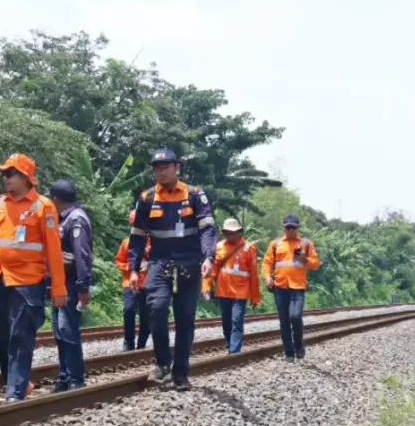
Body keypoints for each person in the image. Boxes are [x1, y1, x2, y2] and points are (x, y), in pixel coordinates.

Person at [0, 153, 67, 401]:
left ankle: (15, 391)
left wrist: (59, 288)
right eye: (4, 174)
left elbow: (54, 249)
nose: (5, 179)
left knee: (21, 334)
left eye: (10, 174)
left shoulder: (43, 207)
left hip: (28, 281)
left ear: (25, 177)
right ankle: (17, 381)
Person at [128, 148, 216, 390]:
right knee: (155, 309)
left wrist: (209, 256)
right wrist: (133, 269)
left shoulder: (195, 195)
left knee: (185, 320)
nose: (162, 171)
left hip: (189, 262)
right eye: (157, 167)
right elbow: (136, 237)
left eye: (167, 166)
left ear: (177, 168)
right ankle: (163, 363)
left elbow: (208, 228)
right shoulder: (146, 198)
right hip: (159, 262)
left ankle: (181, 373)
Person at [48, 179, 92, 392]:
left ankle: (75, 377)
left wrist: (84, 287)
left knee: (67, 329)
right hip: (59, 282)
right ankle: (64, 376)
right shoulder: (61, 218)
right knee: (59, 330)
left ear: (56, 200)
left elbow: (82, 256)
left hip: (71, 283)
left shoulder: (75, 220)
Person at [262, 214, 320, 362]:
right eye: (288, 227)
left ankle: (299, 347)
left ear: (298, 228)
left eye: (293, 227)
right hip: (280, 286)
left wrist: (304, 258)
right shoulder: (275, 244)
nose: (290, 230)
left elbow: (315, 264)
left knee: (295, 316)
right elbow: (267, 263)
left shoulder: (306, 243)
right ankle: (288, 353)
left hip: (297, 286)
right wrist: (267, 277)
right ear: (284, 227)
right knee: (284, 320)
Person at [201, 218, 261, 353]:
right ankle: (230, 344)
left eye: (232, 232)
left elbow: (253, 274)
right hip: (223, 291)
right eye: (227, 232)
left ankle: (234, 351)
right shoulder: (219, 246)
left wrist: (255, 297)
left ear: (239, 232)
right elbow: (212, 269)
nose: (230, 235)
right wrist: (206, 287)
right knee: (226, 322)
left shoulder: (249, 248)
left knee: (236, 320)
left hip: (241, 292)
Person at [115, 210, 150, 351]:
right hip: (130, 283)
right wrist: (131, 268)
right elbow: (119, 261)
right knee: (128, 310)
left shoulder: (153, 244)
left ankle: (142, 344)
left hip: (148, 284)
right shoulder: (126, 243)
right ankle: (128, 342)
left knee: (146, 315)